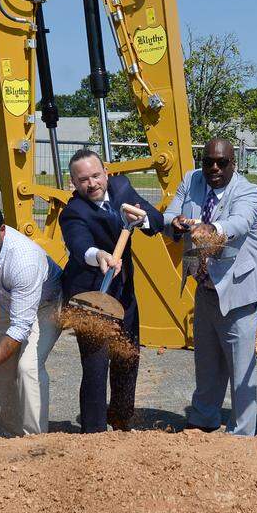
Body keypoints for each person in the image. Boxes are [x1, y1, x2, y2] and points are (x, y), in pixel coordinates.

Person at [163, 138, 257, 437]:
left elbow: (240, 223)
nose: (213, 167)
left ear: (233, 163)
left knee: (240, 366)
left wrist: (213, 229)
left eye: (221, 162)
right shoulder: (191, 180)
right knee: (206, 358)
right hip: (206, 284)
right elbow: (169, 216)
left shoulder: (248, 191)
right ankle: (203, 419)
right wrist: (178, 222)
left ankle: (241, 433)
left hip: (241, 287)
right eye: (208, 160)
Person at [60, 149, 164, 433]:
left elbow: (156, 221)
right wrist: (100, 256)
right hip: (90, 297)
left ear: (106, 173)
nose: (91, 184)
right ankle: (93, 432)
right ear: (74, 183)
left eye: (96, 175)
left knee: (127, 357)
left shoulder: (122, 188)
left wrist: (141, 219)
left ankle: (121, 423)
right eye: (83, 180)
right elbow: (80, 245)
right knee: (95, 366)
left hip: (123, 291)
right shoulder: (73, 212)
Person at [0, 200, 62, 436]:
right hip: (7, 302)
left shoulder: (24, 261)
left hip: (45, 305)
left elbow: (19, 329)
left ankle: (34, 438)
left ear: (2, 231)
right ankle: (11, 432)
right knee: (2, 375)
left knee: (28, 368)